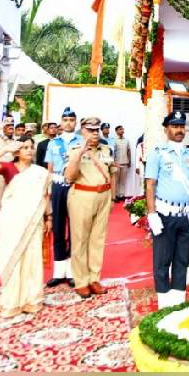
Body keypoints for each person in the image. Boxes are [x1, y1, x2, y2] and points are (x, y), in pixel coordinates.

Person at [0, 136, 50, 317]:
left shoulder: (40, 172)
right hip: (12, 221)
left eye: (31, 147)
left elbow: (45, 196)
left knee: (32, 259)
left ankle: (31, 300)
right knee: (10, 258)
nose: (29, 150)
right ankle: (11, 301)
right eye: (24, 147)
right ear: (17, 151)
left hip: (33, 221)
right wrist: (5, 149)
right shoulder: (8, 168)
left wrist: (48, 218)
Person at [145, 112, 189, 308]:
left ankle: (178, 301)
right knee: (162, 260)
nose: (179, 130)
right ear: (166, 129)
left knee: (182, 259)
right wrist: (152, 214)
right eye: (175, 126)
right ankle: (163, 303)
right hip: (164, 215)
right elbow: (150, 184)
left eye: (182, 126)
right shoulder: (157, 153)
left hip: (185, 214)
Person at [65, 116, 115, 297]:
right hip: (82, 196)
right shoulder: (74, 149)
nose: (94, 134)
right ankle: (81, 281)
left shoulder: (106, 148)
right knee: (80, 239)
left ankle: (94, 278)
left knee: (97, 239)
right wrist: (79, 155)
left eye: (96, 130)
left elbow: (111, 171)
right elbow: (69, 176)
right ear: (82, 131)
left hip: (104, 195)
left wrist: (113, 197)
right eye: (90, 130)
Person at [44, 108, 82, 287]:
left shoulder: (81, 141)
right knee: (58, 229)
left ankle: (73, 271)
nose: (68, 123)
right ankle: (59, 271)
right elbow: (50, 169)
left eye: (71, 120)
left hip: (75, 186)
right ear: (61, 121)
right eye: (65, 119)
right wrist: (49, 191)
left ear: (76, 122)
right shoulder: (53, 143)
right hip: (58, 185)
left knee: (74, 229)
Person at [112, 123, 134, 200]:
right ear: (116, 131)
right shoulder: (114, 140)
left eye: (122, 129)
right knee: (116, 181)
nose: (122, 130)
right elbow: (112, 152)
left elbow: (128, 151)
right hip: (116, 163)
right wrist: (113, 163)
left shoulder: (126, 140)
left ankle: (122, 195)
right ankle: (116, 195)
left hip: (125, 162)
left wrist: (130, 161)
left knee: (123, 181)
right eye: (120, 129)